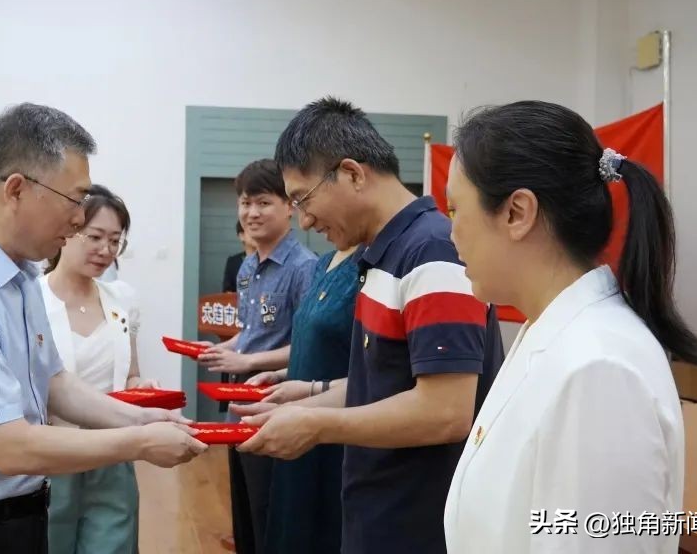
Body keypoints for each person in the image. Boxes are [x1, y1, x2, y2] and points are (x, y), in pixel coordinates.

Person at [0, 103, 206, 554]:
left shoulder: (21, 277)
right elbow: (10, 446)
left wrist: (145, 417)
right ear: (16, 190)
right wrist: (142, 441)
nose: (78, 220)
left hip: (19, 519)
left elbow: (54, 384)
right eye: (75, 200)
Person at [234, 97, 503, 554]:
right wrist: (313, 398)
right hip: (374, 509)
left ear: (353, 173)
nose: (304, 220)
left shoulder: (431, 250)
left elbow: (444, 412)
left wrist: (316, 427)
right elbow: (383, 384)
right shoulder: (381, 255)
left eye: (303, 199)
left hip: (416, 520)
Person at [441, 101, 697, 553]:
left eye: (455, 210)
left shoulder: (600, 370)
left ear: (517, 213)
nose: (451, 234)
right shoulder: (551, 334)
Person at [198, 158, 317, 554]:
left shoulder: (305, 269)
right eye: (245, 203)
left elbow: (306, 346)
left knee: (271, 515)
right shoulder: (248, 266)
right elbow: (252, 334)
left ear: (290, 206)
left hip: (275, 408)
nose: (251, 213)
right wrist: (225, 350)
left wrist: (246, 362)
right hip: (239, 409)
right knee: (245, 513)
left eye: (263, 202)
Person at [41, 185, 158, 553]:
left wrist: (143, 387)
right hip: (50, 454)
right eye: (95, 237)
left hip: (112, 450)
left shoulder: (121, 301)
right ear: (68, 230)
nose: (105, 250)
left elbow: (130, 374)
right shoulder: (32, 299)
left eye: (114, 241)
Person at [246, 244, 360, 554]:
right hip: (297, 417)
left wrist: (312, 389)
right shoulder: (324, 264)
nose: (305, 219)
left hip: (335, 427)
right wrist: (287, 374)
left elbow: (374, 372)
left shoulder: (371, 265)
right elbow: (312, 341)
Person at [223, 221, 256, 292]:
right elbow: (228, 291)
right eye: (252, 230)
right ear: (241, 236)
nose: (256, 234)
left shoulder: (269, 260)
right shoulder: (233, 262)